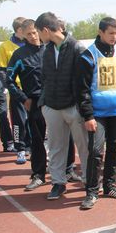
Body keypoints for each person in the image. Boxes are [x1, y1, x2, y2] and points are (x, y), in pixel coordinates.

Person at [77, 17, 116, 209]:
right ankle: (92, 192)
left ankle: (109, 186)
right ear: (101, 32)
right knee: (95, 152)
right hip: (97, 114)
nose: (114, 37)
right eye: (110, 33)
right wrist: (88, 116)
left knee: (114, 149)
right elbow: (81, 89)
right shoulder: (88, 55)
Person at [35, 12, 90, 200]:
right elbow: (44, 78)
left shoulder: (77, 47)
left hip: (73, 107)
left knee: (84, 146)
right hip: (51, 106)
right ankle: (58, 183)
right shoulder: (46, 50)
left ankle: (89, 181)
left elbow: (85, 80)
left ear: (46, 30)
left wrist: (79, 105)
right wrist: (45, 103)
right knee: (56, 147)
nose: (38, 37)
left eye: (38, 33)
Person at [5, 19, 47, 190]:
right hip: (34, 103)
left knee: (63, 138)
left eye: (35, 32)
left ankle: (68, 170)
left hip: (56, 101)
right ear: (23, 34)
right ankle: (38, 175)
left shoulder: (51, 50)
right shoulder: (19, 55)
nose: (33, 36)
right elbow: (9, 80)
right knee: (37, 140)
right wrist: (23, 99)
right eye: (29, 33)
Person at [0, 16, 30, 163]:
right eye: (28, 31)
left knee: (34, 120)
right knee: (18, 121)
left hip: (32, 89)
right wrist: (10, 87)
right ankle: (20, 148)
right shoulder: (5, 46)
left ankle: (32, 146)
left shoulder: (32, 44)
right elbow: (2, 69)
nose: (32, 33)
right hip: (17, 90)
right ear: (19, 30)